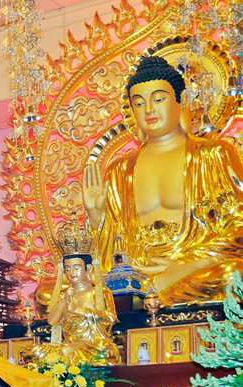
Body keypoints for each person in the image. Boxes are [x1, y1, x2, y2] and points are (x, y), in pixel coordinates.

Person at [83, 55, 243, 306]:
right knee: (52, 293)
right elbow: (109, 253)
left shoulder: (214, 154)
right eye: (138, 103)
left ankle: (145, 297)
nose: (148, 110)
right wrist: (96, 218)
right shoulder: (119, 170)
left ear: (181, 102)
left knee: (232, 274)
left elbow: (239, 226)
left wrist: (189, 263)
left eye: (158, 99)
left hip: (192, 271)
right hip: (135, 276)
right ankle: (141, 295)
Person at [27, 215, 121, 366]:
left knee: (105, 350)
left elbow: (109, 319)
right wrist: (64, 301)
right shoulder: (65, 294)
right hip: (68, 345)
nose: (72, 273)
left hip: (93, 344)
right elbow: (52, 321)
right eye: (68, 269)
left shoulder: (100, 292)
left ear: (88, 268)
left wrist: (78, 310)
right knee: (35, 353)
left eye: (76, 268)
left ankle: (68, 359)